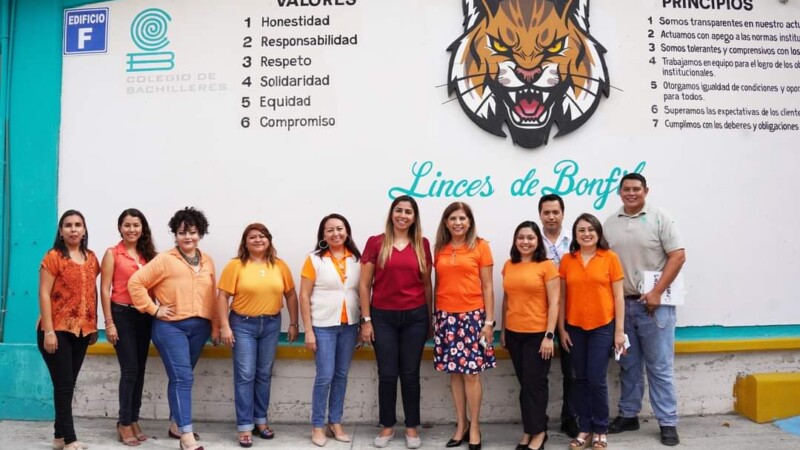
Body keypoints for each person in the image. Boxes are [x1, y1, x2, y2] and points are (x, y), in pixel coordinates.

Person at [604, 173, 686, 447]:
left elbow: (678, 255)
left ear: (645, 191)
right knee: (628, 365)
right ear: (619, 192)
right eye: (626, 189)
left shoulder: (660, 218)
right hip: (623, 306)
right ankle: (629, 414)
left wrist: (657, 292)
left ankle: (667, 422)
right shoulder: (610, 224)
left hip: (654, 306)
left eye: (636, 189)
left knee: (659, 367)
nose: (631, 193)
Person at [128, 207, 216, 450]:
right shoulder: (165, 259)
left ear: (200, 233)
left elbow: (213, 294)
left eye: (193, 232)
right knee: (183, 377)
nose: (188, 237)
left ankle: (176, 425)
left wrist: (216, 326)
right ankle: (186, 435)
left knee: (180, 378)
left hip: (200, 328)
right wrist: (153, 309)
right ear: (175, 234)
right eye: (182, 232)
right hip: (170, 328)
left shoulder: (207, 260)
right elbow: (136, 282)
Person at [216, 223, 300, 448]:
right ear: (245, 242)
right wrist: (225, 326)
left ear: (269, 240)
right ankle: (244, 426)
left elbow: (291, 295)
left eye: (262, 236)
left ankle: (260, 421)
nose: (257, 240)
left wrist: (293, 323)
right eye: (252, 237)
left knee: (263, 374)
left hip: (271, 324)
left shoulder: (280, 266)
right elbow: (222, 297)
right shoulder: (235, 266)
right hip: (242, 325)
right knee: (245, 374)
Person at [358, 196, 432, 449]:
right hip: (382, 318)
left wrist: (430, 317)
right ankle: (387, 426)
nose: (403, 215)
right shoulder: (376, 243)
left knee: (410, 374)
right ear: (392, 214)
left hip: (416, 317)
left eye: (408, 212)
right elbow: (364, 284)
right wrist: (366, 320)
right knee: (388, 374)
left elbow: (426, 284)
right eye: (398, 210)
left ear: (414, 217)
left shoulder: (422, 244)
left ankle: (411, 428)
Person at [558, 213, 625, 450]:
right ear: (575, 236)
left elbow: (618, 296)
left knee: (597, 379)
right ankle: (584, 428)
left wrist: (619, 331)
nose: (586, 234)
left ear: (598, 233)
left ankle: (600, 429)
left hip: (602, 327)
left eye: (590, 230)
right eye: (581, 231)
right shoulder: (567, 260)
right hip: (574, 327)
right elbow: (562, 296)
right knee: (579, 379)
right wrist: (561, 328)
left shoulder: (610, 258)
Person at [433, 202, 496, 450]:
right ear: (446, 223)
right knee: (455, 373)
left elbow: (489, 287)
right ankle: (461, 425)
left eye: (462, 218)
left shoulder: (481, 247)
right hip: (445, 317)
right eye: (453, 218)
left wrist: (489, 322)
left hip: (472, 318)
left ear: (469, 222)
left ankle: (476, 426)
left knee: (471, 374)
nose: (457, 222)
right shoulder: (440, 248)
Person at [38, 210, 100, 450]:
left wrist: (93, 326)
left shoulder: (92, 258)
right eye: (68, 225)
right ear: (61, 231)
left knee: (67, 384)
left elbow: (91, 293)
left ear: (84, 230)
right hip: (57, 330)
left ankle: (58, 436)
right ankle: (71, 440)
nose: (73, 229)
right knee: (64, 385)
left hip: (83, 332)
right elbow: (44, 293)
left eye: (78, 225)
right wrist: (49, 331)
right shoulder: (53, 257)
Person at [299, 213, 362, 447]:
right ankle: (318, 425)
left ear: (347, 231)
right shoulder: (314, 259)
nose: (336, 233)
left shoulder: (356, 259)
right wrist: (308, 330)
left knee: (341, 375)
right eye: (330, 230)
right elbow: (304, 295)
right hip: (322, 326)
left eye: (340, 228)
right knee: (325, 376)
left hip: (349, 326)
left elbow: (362, 290)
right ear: (323, 235)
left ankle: (335, 422)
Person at [99, 209, 158, 446]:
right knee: (130, 369)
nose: (132, 229)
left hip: (144, 316)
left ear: (142, 228)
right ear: (120, 228)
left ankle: (133, 418)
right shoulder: (113, 254)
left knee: (140, 369)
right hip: (121, 315)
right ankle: (123, 423)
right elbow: (104, 289)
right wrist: (109, 323)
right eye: (127, 225)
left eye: (136, 225)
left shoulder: (149, 255)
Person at [501, 221, 559, 450]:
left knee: (535, 385)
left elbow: (554, 303)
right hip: (515, 334)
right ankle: (529, 429)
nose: (525, 242)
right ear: (515, 241)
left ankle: (539, 433)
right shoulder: (509, 265)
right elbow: (507, 299)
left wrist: (548, 335)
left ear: (538, 242)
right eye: (521, 237)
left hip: (538, 335)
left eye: (530, 238)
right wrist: (504, 329)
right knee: (525, 385)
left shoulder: (547, 266)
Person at [538, 194, 578, 438]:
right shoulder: (532, 240)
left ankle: (569, 417)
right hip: (539, 314)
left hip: (569, 314)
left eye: (555, 212)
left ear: (563, 213)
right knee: (537, 374)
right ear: (540, 214)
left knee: (571, 372)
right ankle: (538, 419)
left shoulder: (574, 241)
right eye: (546, 212)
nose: (551, 216)